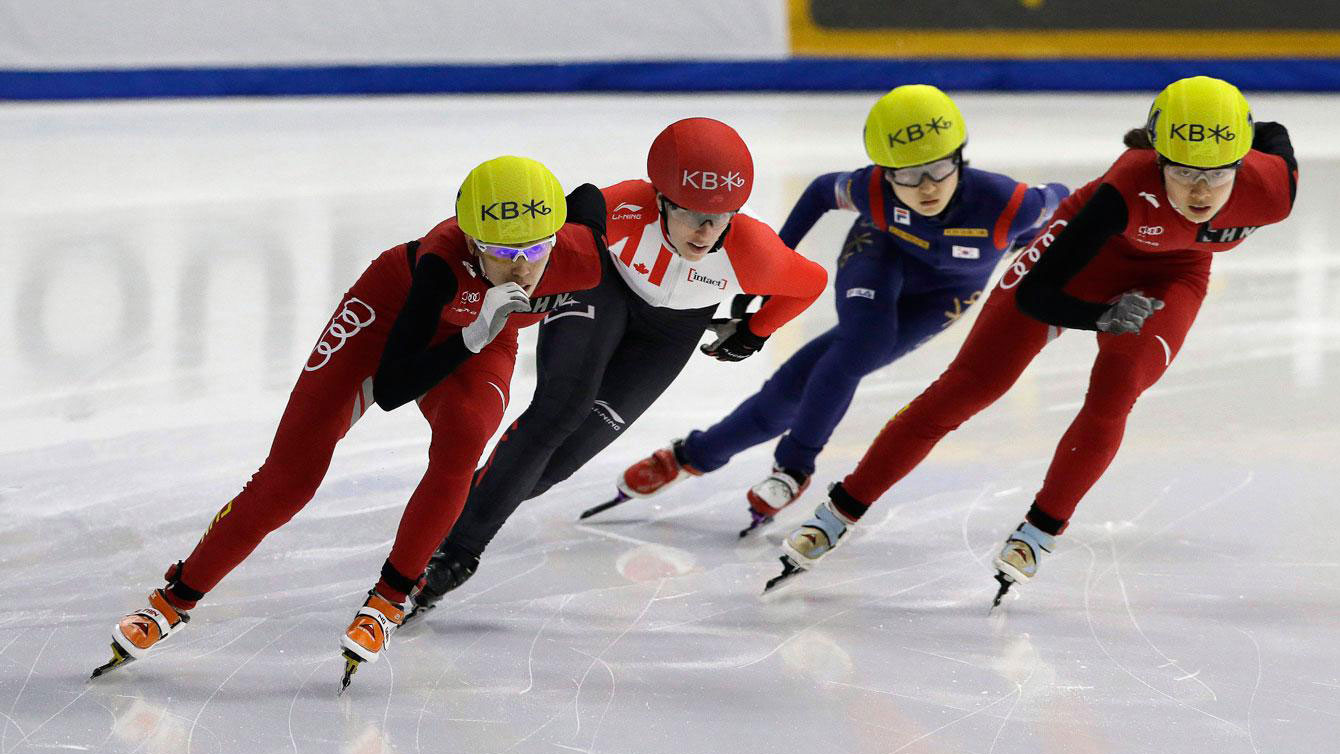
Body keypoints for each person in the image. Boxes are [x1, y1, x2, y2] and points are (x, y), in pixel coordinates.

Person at [762, 76, 1298, 602]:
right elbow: (1038, 297)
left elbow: (1272, 132)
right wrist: (1102, 314)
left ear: (1241, 161)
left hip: (1172, 276)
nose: (1200, 191)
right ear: (1158, 159)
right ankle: (841, 510)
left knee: (1117, 386)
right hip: (1077, 266)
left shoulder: (1272, 192)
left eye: (1218, 173)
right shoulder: (1123, 189)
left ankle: (1041, 529)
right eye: (1182, 172)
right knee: (968, 386)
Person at [92, 156, 609, 691]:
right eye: (504, 253)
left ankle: (390, 598)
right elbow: (391, 389)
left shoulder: (578, 252)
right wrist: (473, 334)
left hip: (482, 335)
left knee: (464, 439)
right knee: (292, 476)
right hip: (389, 317)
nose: (524, 268)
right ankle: (172, 600)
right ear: (474, 242)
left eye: (535, 250)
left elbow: (593, 198)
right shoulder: (439, 264)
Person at [407, 118, 828, 617]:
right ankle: (457, 553)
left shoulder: (754, 251)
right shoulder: (625, 205)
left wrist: (755, 333)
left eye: (721, 218)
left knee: (554, 467)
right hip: (601, 288)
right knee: (559, 411)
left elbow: (811, 283)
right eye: (692, 215)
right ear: (661, 200)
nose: (706, 231)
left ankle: (452, 512)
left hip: (669, 333)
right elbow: (548, 227)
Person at [611, 85, 1068, 536]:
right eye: (907, 175)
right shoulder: (871, 190)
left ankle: (693, 454)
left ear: (961, 159)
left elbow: (1068, 203)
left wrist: (1029, 250)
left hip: (940, 299)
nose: (926, 186)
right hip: (879, 257)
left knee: (803, 382)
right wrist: (774, 265)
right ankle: (794, 468)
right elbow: (817, 193)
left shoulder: (1012, 204)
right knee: (859, 347)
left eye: (938, 169)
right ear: (884, 172)